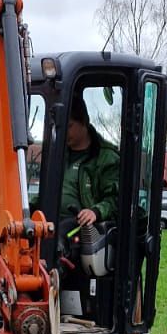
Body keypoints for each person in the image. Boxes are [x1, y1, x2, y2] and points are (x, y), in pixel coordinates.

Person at [61, 92, 119, 230]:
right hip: (49, 224)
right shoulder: (57, 154)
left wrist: (96, 212)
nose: (64, 132)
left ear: (84, 121)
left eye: (69, 126)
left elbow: (116, 200)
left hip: (82, 230)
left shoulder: (106, 158)